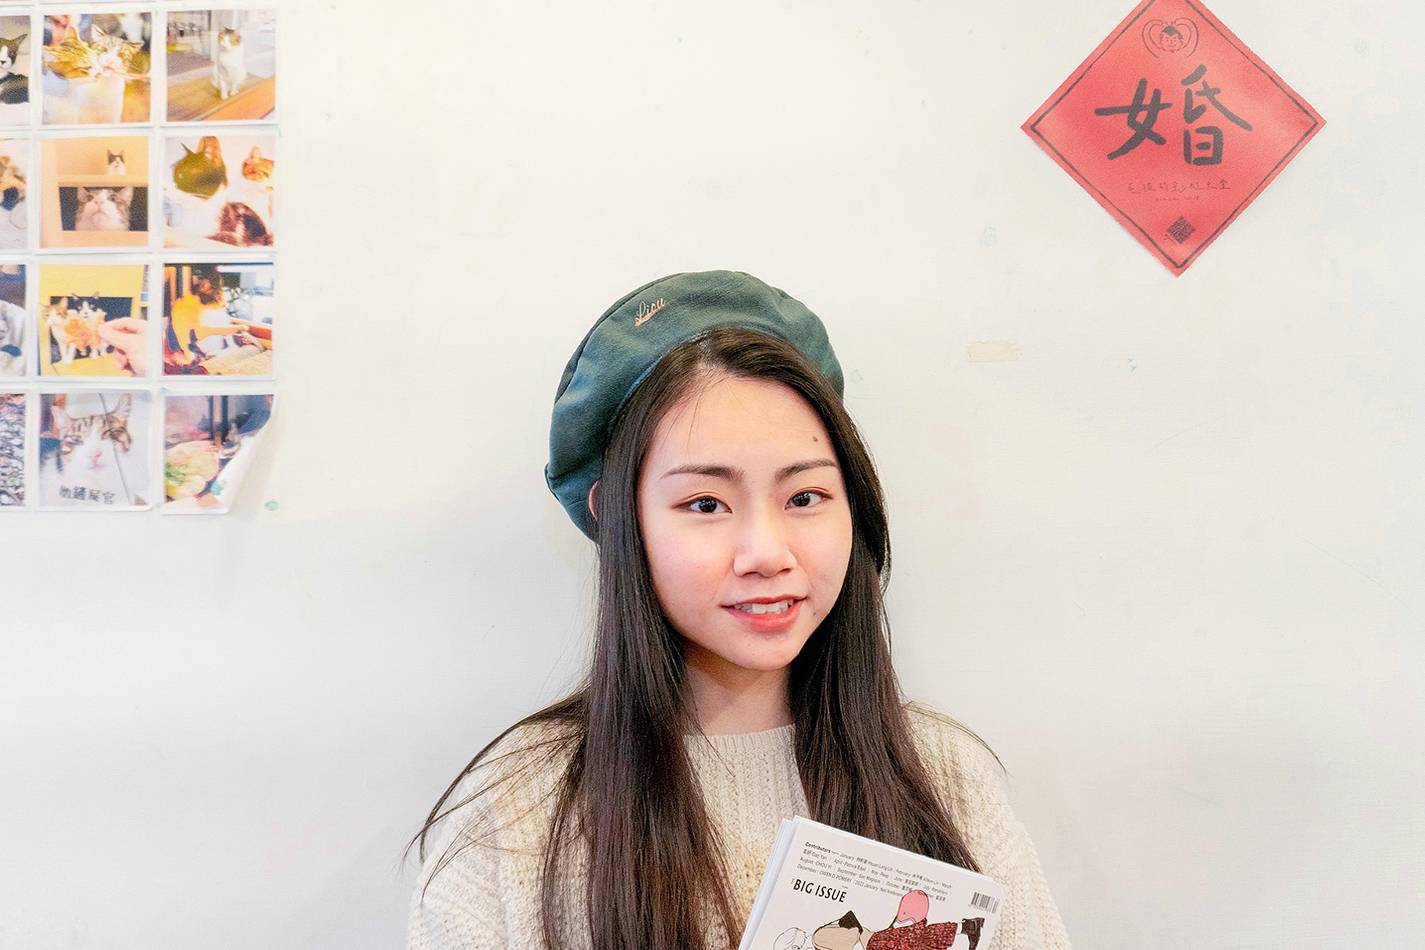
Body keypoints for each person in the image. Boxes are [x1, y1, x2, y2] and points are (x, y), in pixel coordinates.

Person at [407, 271, 1071, 950]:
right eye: (705, 504)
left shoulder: (945, 778)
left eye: (804, 497)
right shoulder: (515, 813)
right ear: (618, 519)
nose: (767, 552)